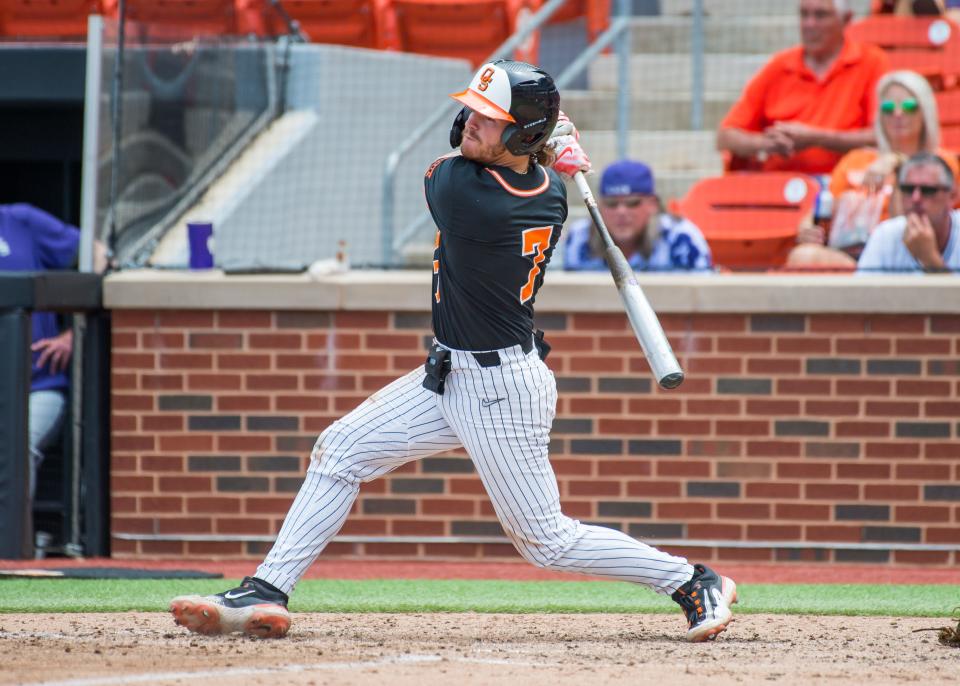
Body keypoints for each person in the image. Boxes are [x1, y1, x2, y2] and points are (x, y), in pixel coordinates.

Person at [169, 60, 738, 643]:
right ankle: (267, 589)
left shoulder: (470, 195)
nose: (469, 122)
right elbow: (520, 165)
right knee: (340, 449)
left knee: (546, 541)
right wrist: (550, 150)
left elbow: (436, 171)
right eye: (473, 110)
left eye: (490, 120)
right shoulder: (549, 193)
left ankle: (692, 581)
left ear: (522, 134)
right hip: (448, 374)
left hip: (500, 392)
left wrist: (549, 143)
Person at [787, 70, 959, 268]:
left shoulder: (940, 164)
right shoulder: (855, 160)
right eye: (888, 107)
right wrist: (807, 228)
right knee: (803, 256)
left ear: (925, 112)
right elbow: (825, 207)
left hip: (909, 254)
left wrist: (898, 166)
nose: (897, 114)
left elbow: (907, 227)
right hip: (851, 254)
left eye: (909, 106)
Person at [717, 0, 890, 175]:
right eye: (804, 14)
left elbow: (884, 136)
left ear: (846, 19)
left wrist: (818, 138)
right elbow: (726, 136)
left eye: (820, 15)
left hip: (845, 184)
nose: (809, 24)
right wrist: (765, 143)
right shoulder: (779, 66)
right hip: (777, 183)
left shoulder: (872, 62)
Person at [0, 205, 80, 506]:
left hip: (38, 385)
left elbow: (97, 257)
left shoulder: (17, 220)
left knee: (17, 450)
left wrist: (73, 333)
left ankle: (10, 550)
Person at [563, 159, 713, 272]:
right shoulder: (579, 237)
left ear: (653, 205)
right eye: (611, 204)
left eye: (633, 203)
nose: (621, 212)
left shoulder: (682, 238)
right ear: (599, 206)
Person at [857, 151, 960, 271]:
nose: (916, 198)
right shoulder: (885, 235)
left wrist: (930, 259)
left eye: (928, 190)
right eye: (908, 189)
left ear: (952, 196)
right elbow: (864, 290)